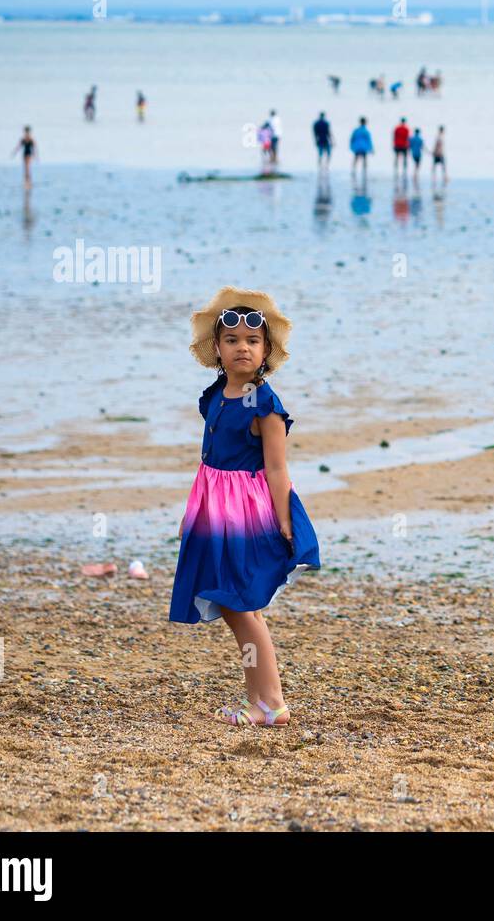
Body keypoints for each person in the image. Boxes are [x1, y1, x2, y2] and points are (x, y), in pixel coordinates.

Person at [171, 287, 321, 725]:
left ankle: (272, 703)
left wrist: (283, 521)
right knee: (241, 606)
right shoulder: (216, 395)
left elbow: (277, 469)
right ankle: (259, 701)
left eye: (252, 341)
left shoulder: (265, 406)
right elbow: (207, 461)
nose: (243, 347)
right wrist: (191, 513)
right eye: (232, 340)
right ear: (217, 349)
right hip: (213, 510)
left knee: (238, 603)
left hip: (248, 515)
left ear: (266, 350)